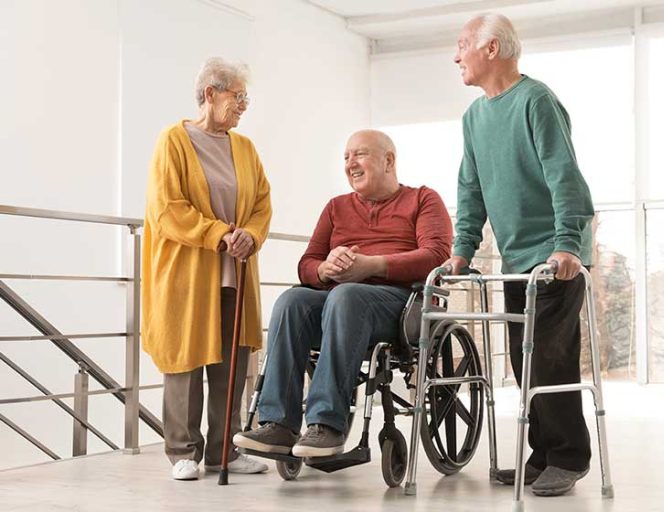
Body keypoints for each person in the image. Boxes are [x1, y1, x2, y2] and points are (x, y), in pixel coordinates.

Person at [444, 14, 595, 496]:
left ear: (492, 49)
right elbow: (470, 189)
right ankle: (542, 455)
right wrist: (462, 250)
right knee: (522, 358)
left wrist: (567, 244)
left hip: (555, 254)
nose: (456, 55)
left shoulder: (536, 101)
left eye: (463, 44)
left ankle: (569, 458)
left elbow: (563, 175)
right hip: (515, 260)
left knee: (550, 357)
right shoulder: (474, 117)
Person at [233, 129, 452, 458]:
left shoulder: (422, 199)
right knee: (292, 301)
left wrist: (372, 265)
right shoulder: (336, 207)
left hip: (400, 305)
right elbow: (307, 263)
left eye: (359, 154)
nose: (351, 163)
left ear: (388, 160)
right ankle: (278, 423)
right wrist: (325, 270)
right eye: (346, 157)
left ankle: (327, 425)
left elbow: (436, 255)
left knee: (347, 296)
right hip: (340, 302)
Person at [142, 57, 271, 480]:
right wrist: (219, 234)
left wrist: (249, 234)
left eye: (246, 98)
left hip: (235, 269)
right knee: (184, 360)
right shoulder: (174, 141)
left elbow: (261, 202)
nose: (244, 105)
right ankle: (182, 451)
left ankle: (225, 451)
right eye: (239, 96)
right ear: (210, 94)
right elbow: (167, 209)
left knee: (230, 363)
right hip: (186, 272)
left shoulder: (245, 148)